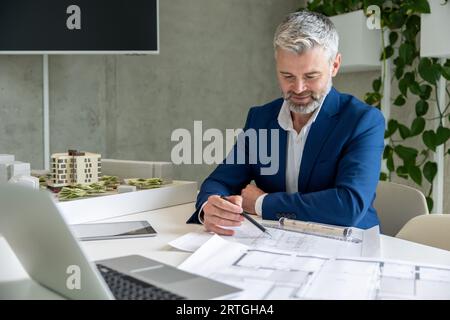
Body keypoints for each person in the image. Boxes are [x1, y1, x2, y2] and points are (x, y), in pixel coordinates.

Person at [187, 10, 385, 236]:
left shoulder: (363, 121)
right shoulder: (260, 119)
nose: (299, 89)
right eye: (288, 76)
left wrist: (262, 203)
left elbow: (348, 206)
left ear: (335, 65)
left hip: (349, 248)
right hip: (276, 243)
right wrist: (209, 207)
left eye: (311, 76)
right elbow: (220, 181)